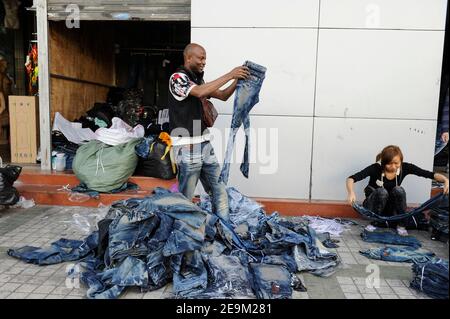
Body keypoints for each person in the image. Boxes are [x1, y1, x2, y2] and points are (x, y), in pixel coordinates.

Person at [168, 43, 250, 221]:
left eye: (205, 58)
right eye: (201, 57)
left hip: (205, 144)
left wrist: (238, 79)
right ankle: (184, 235)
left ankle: (225, 230)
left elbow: (222, 95)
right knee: (186, 198)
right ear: (188, 57)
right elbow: (199, 92)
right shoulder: (177, 78)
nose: (204, 61)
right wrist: (230, 74)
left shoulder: (198, 80)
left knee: (219, 190)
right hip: (187, 146)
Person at [346, 145, 449, 236]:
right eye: (389, 164)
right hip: (373, 208)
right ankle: (375, 222)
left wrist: (445, 180)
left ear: (401, 161)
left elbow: (429, 174)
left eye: (396, 163)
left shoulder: (405, 168)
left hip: (391, 210)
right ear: (383, 162)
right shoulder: (375, 168)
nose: (393, 167)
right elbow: (351, 178)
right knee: (382, 192)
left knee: (399, 190)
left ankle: (401, 225)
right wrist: (351, 193)